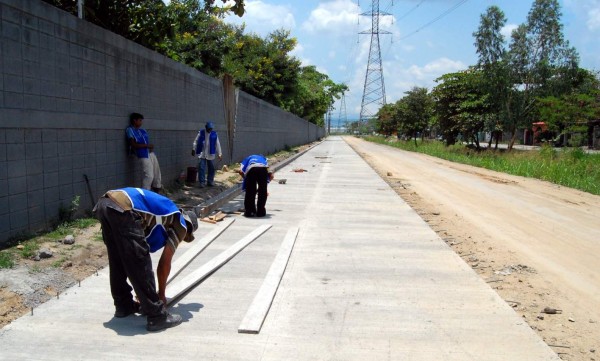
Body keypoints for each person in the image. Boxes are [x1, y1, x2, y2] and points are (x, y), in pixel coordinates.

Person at [93, 187, 199, 332]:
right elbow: (163, 264)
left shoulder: (163, 213)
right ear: (189, 228)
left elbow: (131, 255)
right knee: (140, 261)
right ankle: (157, 316)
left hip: (105, 204)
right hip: (124, 208)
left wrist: (143, 292)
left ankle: (123, 305)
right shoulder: (180, 225)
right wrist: (160, 295)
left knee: (118, 259)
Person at [126, 113, 162, 192]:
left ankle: (156, 191)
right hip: (142, 155)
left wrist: (149, 148)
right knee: (149, 176)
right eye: (139, 120)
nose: (141, 122)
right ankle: (145, 194)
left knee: (157, 173)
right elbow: (133, 145)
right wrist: (147, 146)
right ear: (134, 120)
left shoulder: (142, 130)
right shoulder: (130, 130)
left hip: (150, 153)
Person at [191, 121, 222, 187]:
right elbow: (195, 141)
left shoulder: (214, 134)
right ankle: (202, 182)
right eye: (209, 129)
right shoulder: (201, 133)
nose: (210, 130)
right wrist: (193, 149)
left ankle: (210, 181)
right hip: (202, 154)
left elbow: (217, 144)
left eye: (211, 129)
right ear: (206, 127)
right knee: (201, 168)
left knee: (212, 168)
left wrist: (220, 153)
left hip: (210, 154)